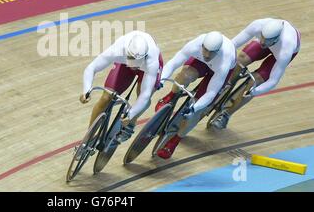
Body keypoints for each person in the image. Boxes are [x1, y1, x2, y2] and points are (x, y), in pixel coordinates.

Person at [155, 31, 236, 159]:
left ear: (218, 51)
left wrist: (195, 108)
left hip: (217, 73)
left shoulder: (224, 60)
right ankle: (170, 96)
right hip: (200, 63)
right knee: (184, 76)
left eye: (212, 52)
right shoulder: (196, 44)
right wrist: (161, 79)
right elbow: (174, 63)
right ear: (202, 45)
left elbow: (211, 92)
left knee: (198, 109)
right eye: (206, 50)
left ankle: (175, 140)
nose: (208, 55)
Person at [211, 18, 301, 129]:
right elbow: (232, 44)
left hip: (279, 53)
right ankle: (226, 84)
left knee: (256, 81)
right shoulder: (258, 25)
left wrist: (255, 91)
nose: (263, 41)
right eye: (262, 37)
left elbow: (273, 80)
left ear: (276, 38)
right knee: (241, 59)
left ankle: (226, 115)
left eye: (266, 39)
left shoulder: (286, 48)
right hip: (273, 43)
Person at [80, 30, 163, 143]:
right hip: (124, 64)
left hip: (146, 70)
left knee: (141, 95)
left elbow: (145, 94)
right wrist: (86, 90)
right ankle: (89, 136)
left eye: (136, 62)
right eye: (132, 60)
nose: (134, 65)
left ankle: (130, 124)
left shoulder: (152, 60)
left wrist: (131, 114)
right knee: (106, 98)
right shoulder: (118, 49)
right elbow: (92, 68)